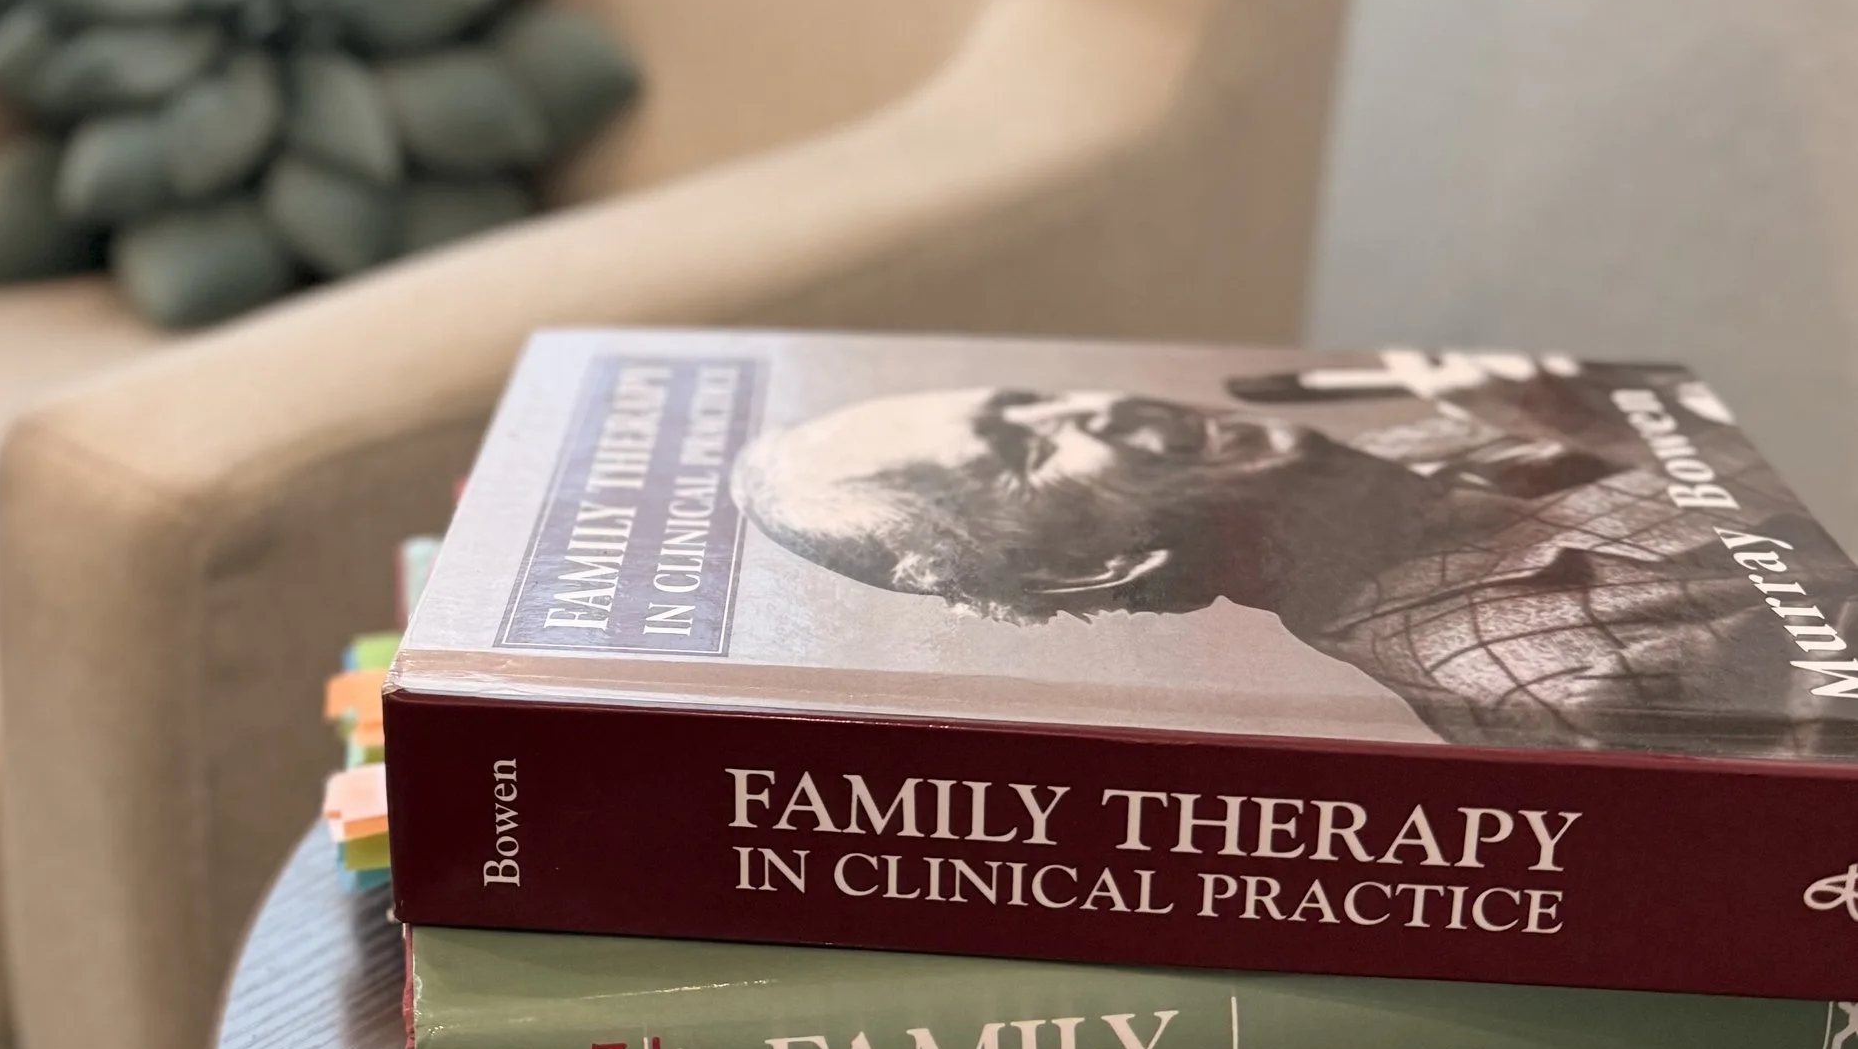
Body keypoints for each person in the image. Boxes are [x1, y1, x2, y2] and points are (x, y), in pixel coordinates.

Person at [729, 358, 1858, 757]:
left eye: (1035, 397)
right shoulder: (1558, 682)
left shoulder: (1444, 424)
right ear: (1092, 574)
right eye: (1027, 450)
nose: (1101, 406)